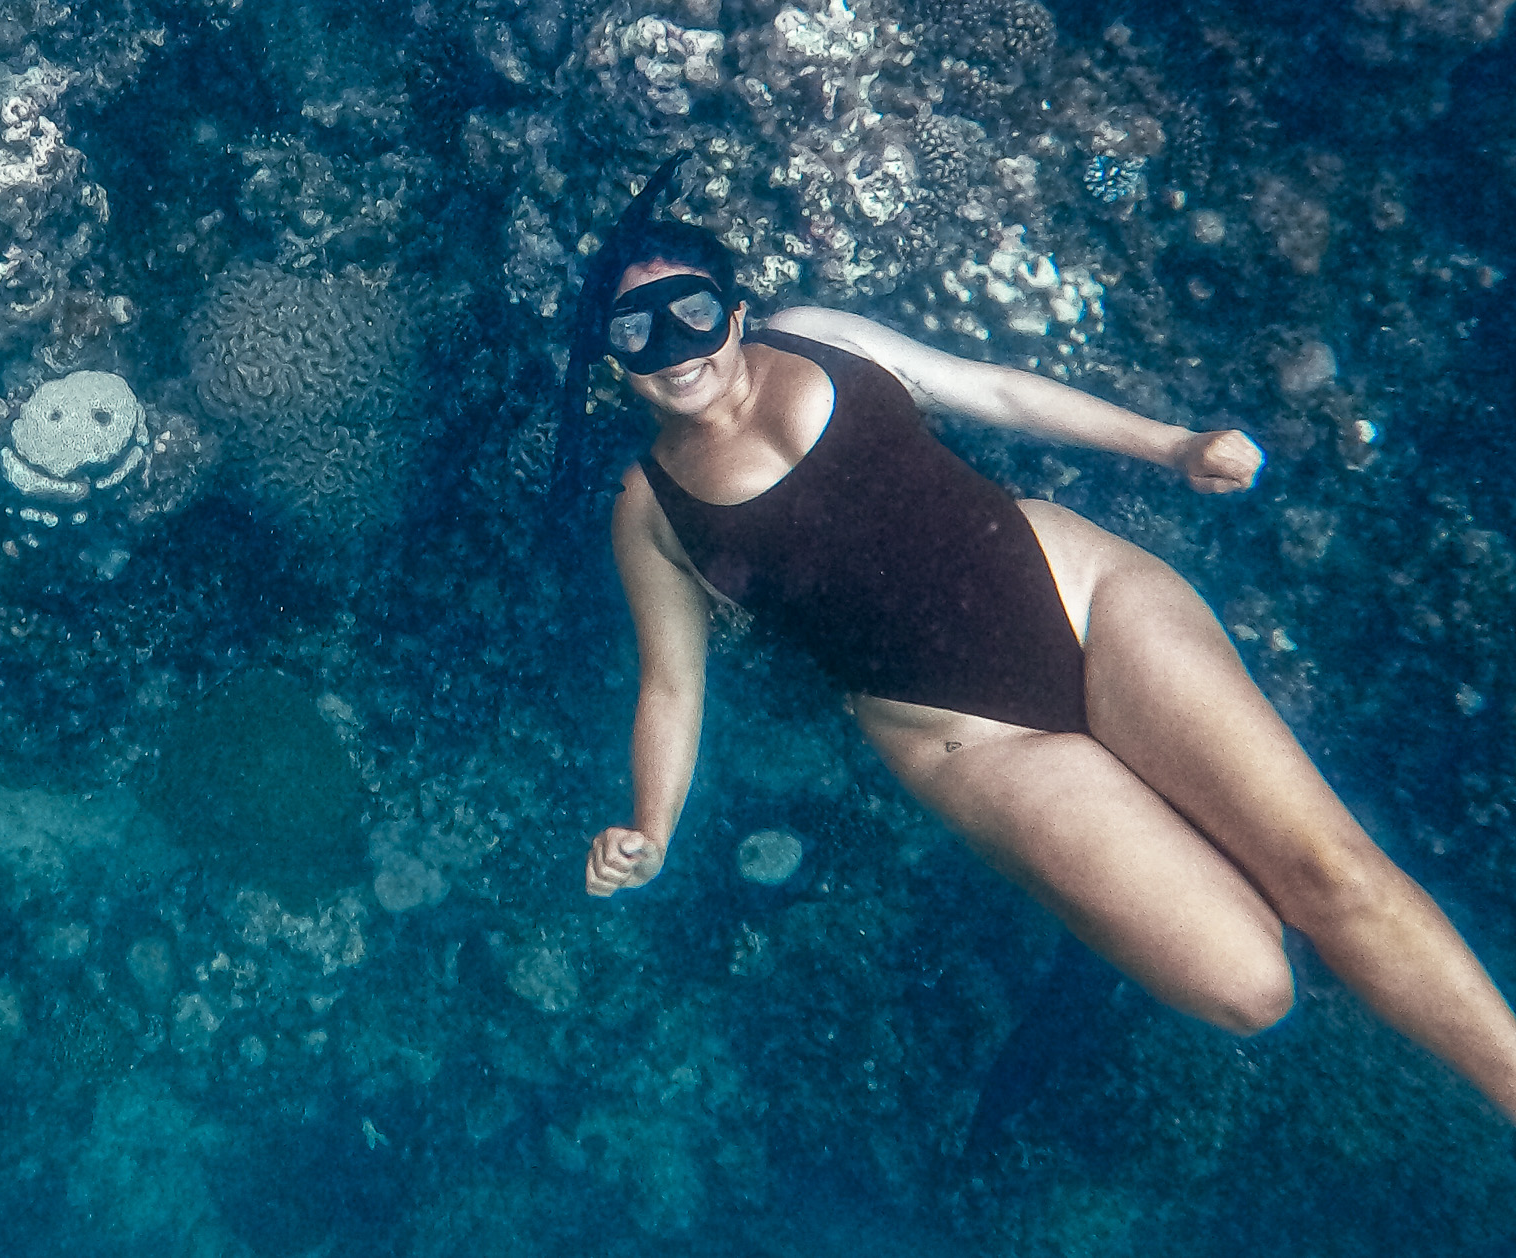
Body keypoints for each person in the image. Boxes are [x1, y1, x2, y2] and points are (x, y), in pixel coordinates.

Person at [569, 169, 1516, 1121]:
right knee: (1250, 991)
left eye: (687, 310)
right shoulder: (648, 510)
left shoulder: (824, 334)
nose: (672, 346)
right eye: (635, 330)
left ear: (734, 312)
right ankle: (1262, 900)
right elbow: (671, 689)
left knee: (1332, 876)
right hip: (972, 742)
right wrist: (653, 828)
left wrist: (1175, 446)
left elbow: (997, 394)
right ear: (614, 361)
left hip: (1084, 602)